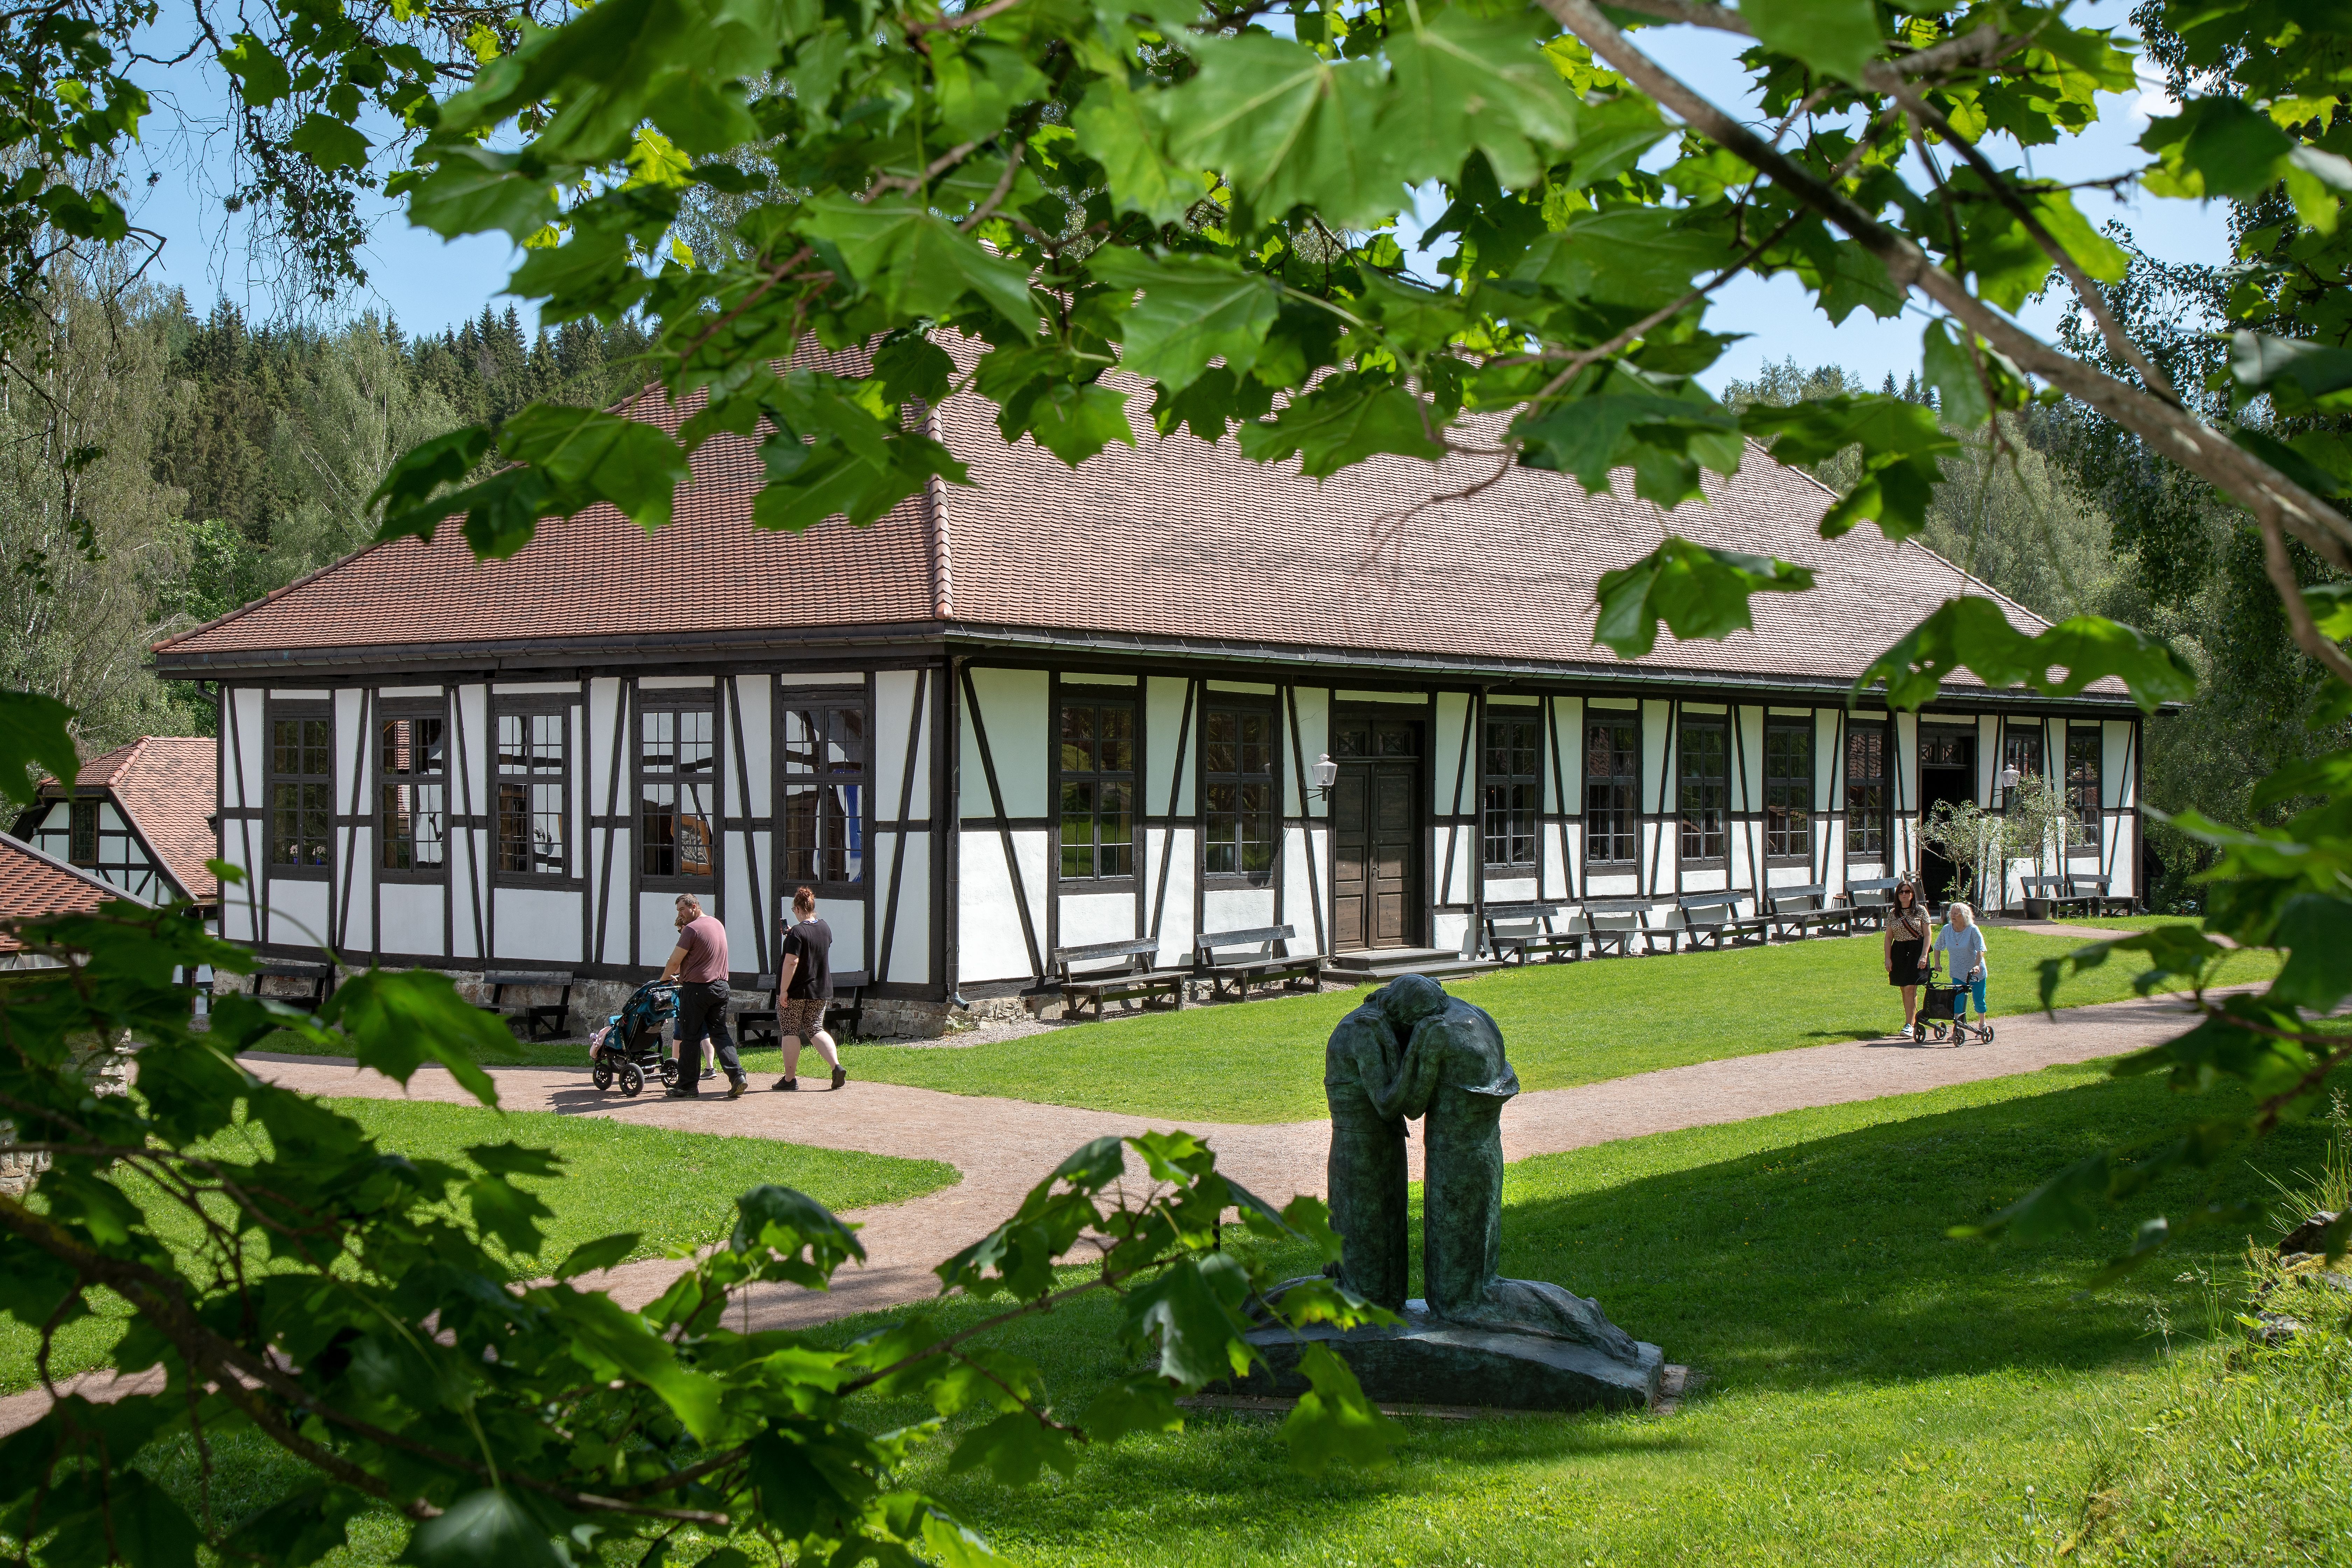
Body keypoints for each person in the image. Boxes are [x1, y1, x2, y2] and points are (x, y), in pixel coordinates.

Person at [1320, 993, 1411, 1311]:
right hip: (1362, 1151)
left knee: (1384, 1256)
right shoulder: (1364, 1031)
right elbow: (1387, 1103)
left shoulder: (1369, 1024)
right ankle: (1258, 1312)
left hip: (1378, 1147)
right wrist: (1390, 1041)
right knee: (1365, 1271)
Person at [658, 894, 745, 1100]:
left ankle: (687, 1086)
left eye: (682, 910)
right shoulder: (717, 925)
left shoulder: (692, 929)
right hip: (721, 987)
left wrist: (663, 981)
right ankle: (737, 1076)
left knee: (690, 1036)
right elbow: (703, 959)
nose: (680, 915)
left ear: (694, 906)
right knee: (720, 1034)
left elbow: (674, 961)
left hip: (697, 990)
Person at [773, 887, 847, 1092]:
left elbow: (792, 962)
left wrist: (784, 990)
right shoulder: (825, 928)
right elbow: (813, 945)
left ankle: (790, 1079)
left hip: (797, 990)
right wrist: (793, 935)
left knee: (790, 1031)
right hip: (821, 989)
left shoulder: (797, 932)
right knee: (815, 1028)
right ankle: (836, 1066)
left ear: (797, 909)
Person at [1883, 876, 1933, 1035]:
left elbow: (1928, 935)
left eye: (1907, 892)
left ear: (1912, 894)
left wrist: (1924, 955)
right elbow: (1889, 937)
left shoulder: (1921, 911)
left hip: (1917, 951)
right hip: (1899, 950)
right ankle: (1911, 1021)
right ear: (1897, 896)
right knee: (1904, 988)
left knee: (1911, 987)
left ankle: (1909, 1024)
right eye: (1901, 892)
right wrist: (1888, 957)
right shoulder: (1893, 914)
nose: (1904, 895)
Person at [1933, 901, 1989, 1035]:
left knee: (1978, 1000)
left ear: (1964, 916)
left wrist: (1976, 966)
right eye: (1952, 913)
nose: (1953, 916)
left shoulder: (1973, 930)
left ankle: (1982, 1025)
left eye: (1957, 914)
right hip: (1957, 972)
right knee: (1958, 1001)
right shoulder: (1947, 929)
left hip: (1975, 972)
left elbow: (1981, 949)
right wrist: (1937, 963)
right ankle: (1958, 1028)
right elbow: (1937, 947)